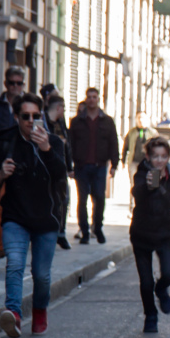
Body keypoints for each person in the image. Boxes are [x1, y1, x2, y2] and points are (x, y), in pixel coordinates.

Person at [0, 94, 68, 338]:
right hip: (15, 216)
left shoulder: (54, 141)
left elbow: (61, 174)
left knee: (41, 275)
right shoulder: (6, 139)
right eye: (25, 116)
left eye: (36, 116)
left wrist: (46, 149)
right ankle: (13, 313)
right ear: (16, 117)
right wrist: (1, 173)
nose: (31, 121)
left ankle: (40, 309)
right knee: (15, 265)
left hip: (47, 218)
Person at [131, 136, 170, 333]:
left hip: (166, 233)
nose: (159, 161)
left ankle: (162, 290)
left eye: (163, 156)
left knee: (169, 274)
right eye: (155, 156)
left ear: (168, 157)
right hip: (142, 233)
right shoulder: (142, 175)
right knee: (146, 281)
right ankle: (150, 315)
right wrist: (150, 186)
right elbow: (138, 194)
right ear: (149, 157)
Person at [0, 65, 26, 265]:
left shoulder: (30, 106)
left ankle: (16, 245)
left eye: (19, 83)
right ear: (5, 83)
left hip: (23, 164)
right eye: (12, 83)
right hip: (0, 162)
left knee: (20, 206)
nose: (15, 87)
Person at [67, 86, 119, 244]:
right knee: (82, 200)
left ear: (98, 99)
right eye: (89, 97)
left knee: (99, 198)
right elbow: (70, 145)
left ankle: (97, 227)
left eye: (94, 97)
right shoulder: (76, 121)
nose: (91, 99)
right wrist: (69, 166)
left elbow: (113, 143)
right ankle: (84, 232)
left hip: (100, 166)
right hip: (81, 166)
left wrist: (114, 164)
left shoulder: (107, 121)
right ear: (86, 98)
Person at [44, 95, 74, 250]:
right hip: (46, 169)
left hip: (60, 168)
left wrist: (69, 168)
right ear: (58, 108)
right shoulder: (43, 123)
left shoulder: (61, 125)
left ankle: (60, 233)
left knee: (64, 199)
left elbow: (66, 148)